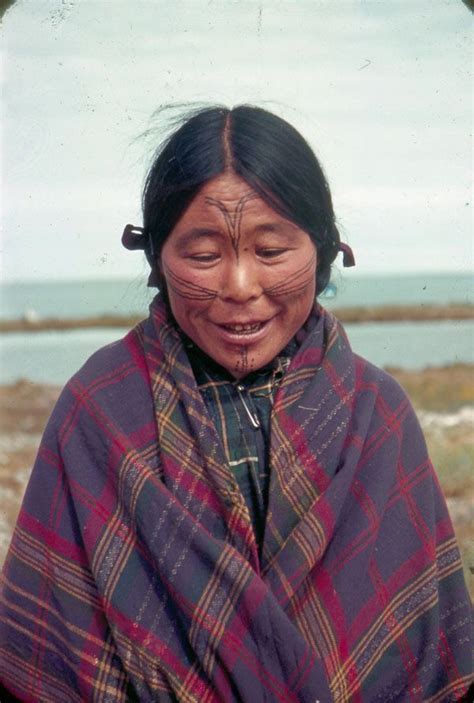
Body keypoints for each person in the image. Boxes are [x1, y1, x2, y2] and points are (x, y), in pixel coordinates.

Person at [0, 105, 471, 702]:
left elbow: (426, 652)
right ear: (157, 257)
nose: (241, 287)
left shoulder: (378, 413)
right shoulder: (99, 410)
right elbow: (50, 656)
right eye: (202, 256)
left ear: (324, 251)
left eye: (271, 251)